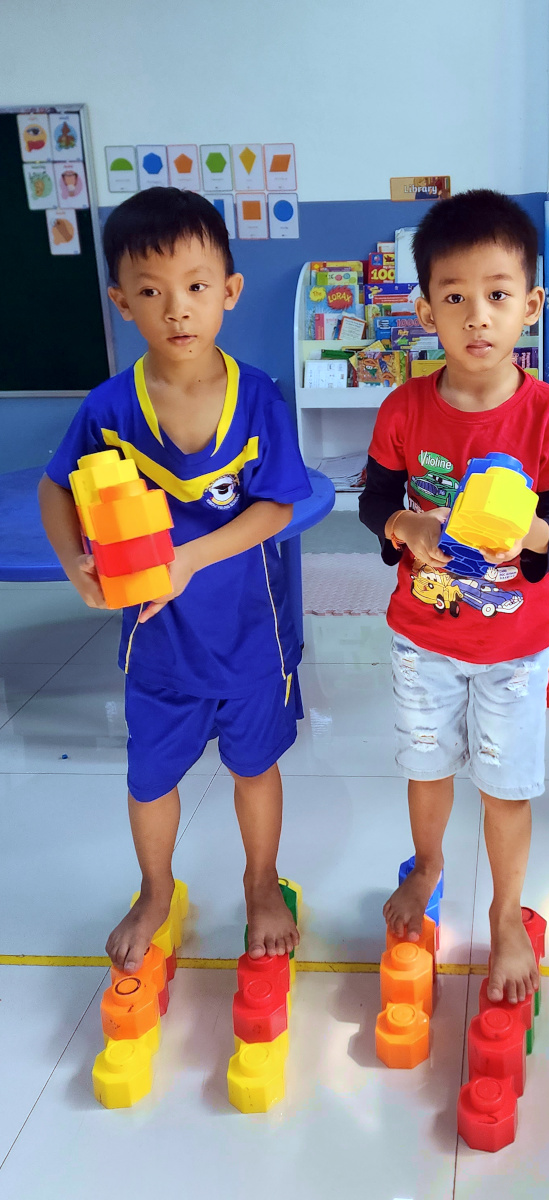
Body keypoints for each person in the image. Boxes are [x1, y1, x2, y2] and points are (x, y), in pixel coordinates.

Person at [39, 188, 310, 971]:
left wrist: (190, 558)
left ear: (230, 290)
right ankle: (154, 890)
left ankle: (260, 884)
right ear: (122, 303)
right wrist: (75, 562)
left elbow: (279, 507)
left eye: (195, 286)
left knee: (254, 768)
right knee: (151, 778)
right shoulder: (109, 408)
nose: (177, 308)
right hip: (158, 645)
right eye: (151, 292)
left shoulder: (258, 399)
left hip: (251, 637)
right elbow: (57, 488)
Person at [359, 190, 549, 1003]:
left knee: (506, 785)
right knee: (427, 768)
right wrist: (405, 526)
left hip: (514, 648)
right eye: (454, 298)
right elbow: (373, 500)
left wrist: (525, 534)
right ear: (426, 311)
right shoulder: (403, 408)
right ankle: (427, 868)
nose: (477, 316)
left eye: (497, 294)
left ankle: (506, 914)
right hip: (424, 636)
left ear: (531, 304)